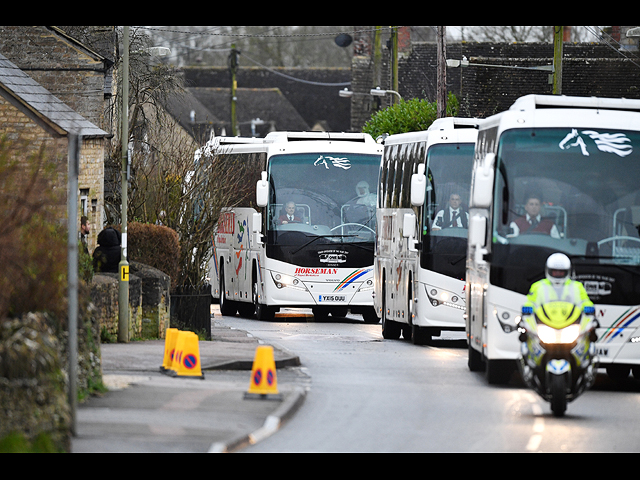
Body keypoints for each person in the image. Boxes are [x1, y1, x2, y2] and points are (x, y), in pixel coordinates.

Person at [524, 253, 594, 313]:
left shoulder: (577, 286)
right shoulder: (538, 286)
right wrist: (528, 307)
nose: (558, 274)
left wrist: (588, 307)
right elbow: (531, 302)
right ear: (548, 270)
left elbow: (584, 301)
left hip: (570, 320)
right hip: (545, 320)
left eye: (561, 272)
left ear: (567, 271)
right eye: (555, 272)